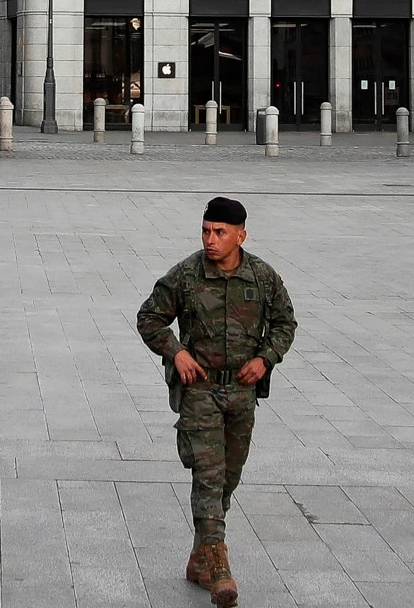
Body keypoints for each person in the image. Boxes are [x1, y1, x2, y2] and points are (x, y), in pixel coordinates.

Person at [135, 196, 297, 606]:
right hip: (200, 392)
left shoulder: (262, 277)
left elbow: (284, 323)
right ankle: (220, 565)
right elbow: (149, 317)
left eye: (220, 233)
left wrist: (265, 359)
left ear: (240, 235)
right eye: (206, 231)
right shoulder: (187, 275)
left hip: (242, 393)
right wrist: (177, 352)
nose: (211, 239)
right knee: (207, 476)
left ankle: (199, 556)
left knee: (228, 478)